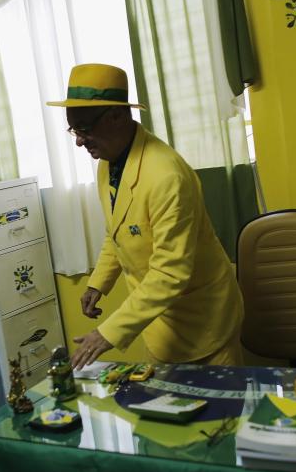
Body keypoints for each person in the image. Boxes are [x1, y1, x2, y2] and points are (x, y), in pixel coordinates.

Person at [46, 63, 244, 369]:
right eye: (73, 129)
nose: (78, 141)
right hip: (158, 324)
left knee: (219, 413)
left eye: (84, 129)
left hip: (203, 320)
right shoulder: (109, 162)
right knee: (161, 409)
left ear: (117, 116)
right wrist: (98, 283)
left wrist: (107, 333)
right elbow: (120, 230)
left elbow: (170, 272)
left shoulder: (166, 176)